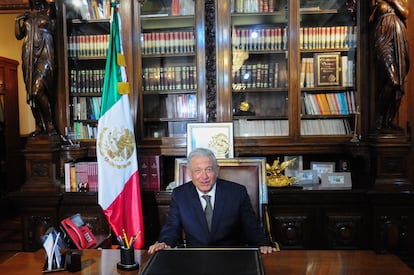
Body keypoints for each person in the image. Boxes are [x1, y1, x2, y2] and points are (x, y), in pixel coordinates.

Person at [148, 147, 276, 254]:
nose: (204, 177)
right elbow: (172, 227)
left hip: (231, 258)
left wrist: (263, 244)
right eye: (198, 171)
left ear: (217, 170)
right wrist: (164, 242)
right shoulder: (180, 194)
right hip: (195, 258)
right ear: (190, 173)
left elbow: (251, 226)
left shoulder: (237, 192)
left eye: (209, 170)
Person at [15, 0, 57, 136]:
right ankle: (39, 125)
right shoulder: (27, 16)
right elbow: (19, 35)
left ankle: (50, 124)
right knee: (30, 91)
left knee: (37, 90)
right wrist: (18, 20)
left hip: (45, 52)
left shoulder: (49, 11)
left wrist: (50, 3)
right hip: (29, 53)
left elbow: (54, 21)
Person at [369, 0, 409, 130]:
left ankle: (388, 120)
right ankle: (379, 118)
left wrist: (393, 1)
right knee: (393, 80)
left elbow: (405, 13)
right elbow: (371, 15)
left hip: (397, 35)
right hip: (383, 36)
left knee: (397, 82)